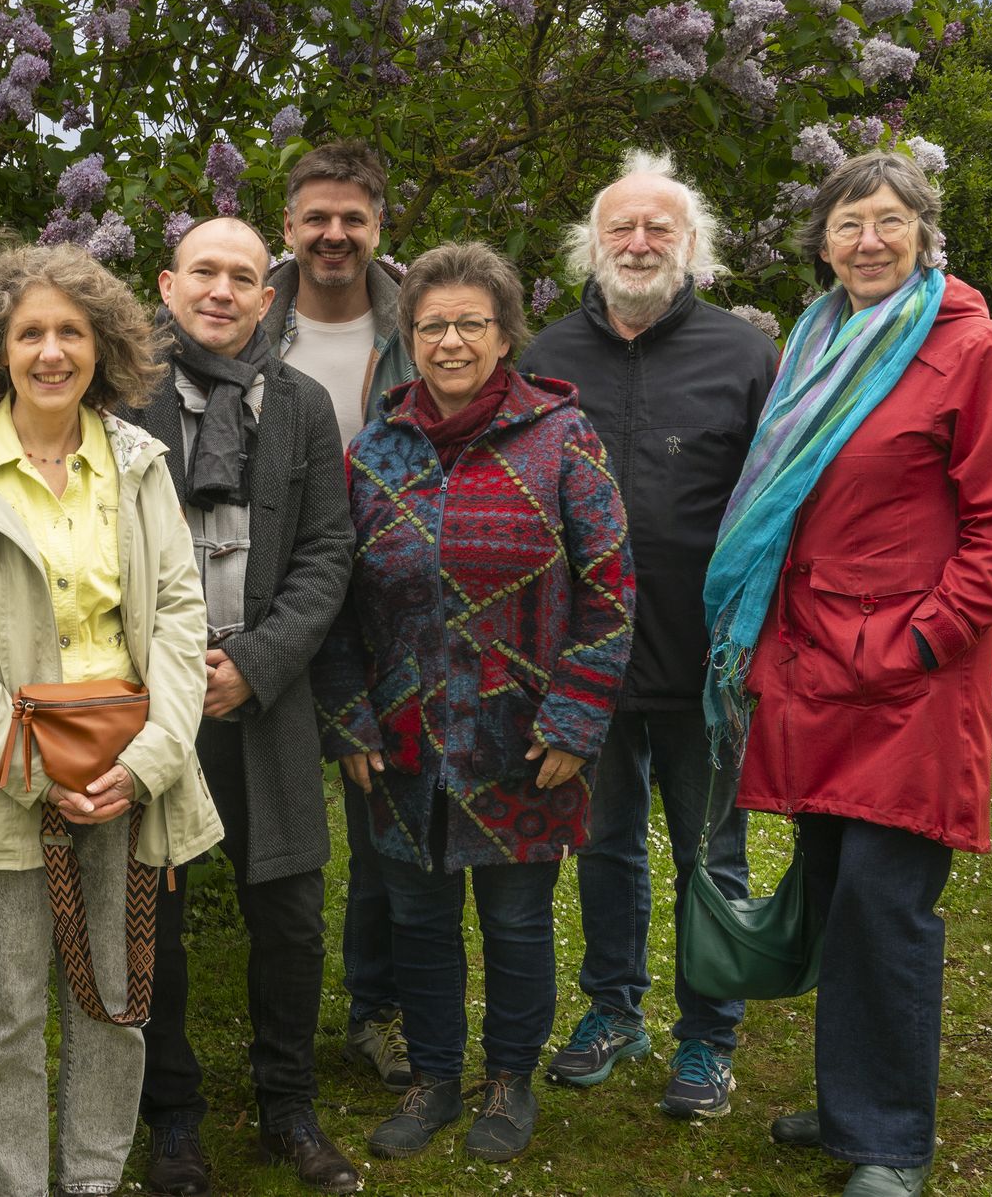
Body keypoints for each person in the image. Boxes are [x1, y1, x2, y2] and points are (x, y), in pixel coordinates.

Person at [706, 151, 992, 1197]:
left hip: (904, 684)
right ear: (821, 244)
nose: (867, 239)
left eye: (888, 220)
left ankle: (888, 1143)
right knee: (830, 891)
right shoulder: (814, 343)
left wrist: (920, 641)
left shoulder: (972, 350)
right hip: (814, 669)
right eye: (848, 222)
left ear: (921, 235)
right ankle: (851, 1101)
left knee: (884, 905)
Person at [0, 242, 224, 1197]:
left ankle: (90, 1182)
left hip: (129, 770)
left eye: (70, 332)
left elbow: (176, 610)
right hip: (0, 775)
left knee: (115, 1003)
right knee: (1, 1015)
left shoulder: (139, 461)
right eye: (30, 331)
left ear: (103, 346)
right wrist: (30, 763)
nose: (51, 350)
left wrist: (155, 758)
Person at [313, 241, 634, 1165]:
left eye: (470, 323)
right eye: (432, 324)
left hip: (523, 735)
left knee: (517, 919)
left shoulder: (561, 437)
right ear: (409, 336)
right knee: (415, 918)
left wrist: (577, 718)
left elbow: (609, 585)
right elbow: (333, 594)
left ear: (504, 334)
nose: (450, 340)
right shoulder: (372, 450)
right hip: (405, 733)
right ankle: (435, 1076)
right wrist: (349, 718)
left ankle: (509, 1077)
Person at [521, 150, 777, 1118]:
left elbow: (777, 504)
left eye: (656, 229)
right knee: (606, 847)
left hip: (706, 657)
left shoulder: (742, 355)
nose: (636, 243)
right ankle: (612, 1010)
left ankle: (708, 1037)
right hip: (583, 658)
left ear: (690, 246)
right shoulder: (544, 358)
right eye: (619, 229)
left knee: (711, 855)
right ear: (590, 245)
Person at [124, 218, 357, 1196]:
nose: (221, 291)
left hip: (267, 699)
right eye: (203, 273)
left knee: (291, 915)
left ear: (269, 299)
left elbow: (326, 551)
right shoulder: (116, 398)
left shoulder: (300, 405)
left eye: (243, 278)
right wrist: (175, 674)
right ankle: (172, 1120)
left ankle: (286, 1108)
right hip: (150, 704)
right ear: (168, 285)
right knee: (155, 919)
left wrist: (254, 662)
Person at [264, 140, 417, 1091]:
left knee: (383, 812)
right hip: (269, 595)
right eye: (315, 218)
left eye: (351, 218)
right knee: (266, 806)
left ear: (377, 226)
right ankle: (254, 999)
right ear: (289, 226)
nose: (333, 234)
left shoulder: (417, 319)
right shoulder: (247, 318)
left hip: (391, 600)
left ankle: (378, 1009)